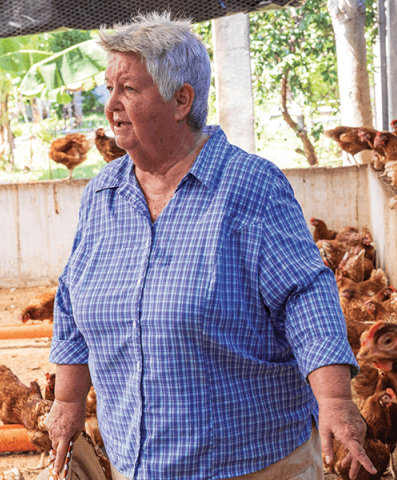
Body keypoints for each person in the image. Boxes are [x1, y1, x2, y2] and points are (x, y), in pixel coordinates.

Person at [45, 12, 375, 480]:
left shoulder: (250, 186)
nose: (111, 104)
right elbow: (73, 302)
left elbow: (304, 295)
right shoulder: (103, 194)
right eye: (110, 88)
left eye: (130, 90)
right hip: (138, 462)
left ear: (182, 101)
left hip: (248, 463)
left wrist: (337, 401)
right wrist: (68, 402)